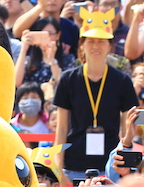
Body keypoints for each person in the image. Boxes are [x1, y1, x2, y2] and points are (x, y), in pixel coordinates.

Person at [53, 14, 138, 178]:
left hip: (110, 165)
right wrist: (58, 168)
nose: (95, 46)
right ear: (82, 45)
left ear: (110, 46)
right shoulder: (68, 79)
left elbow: (128, 126)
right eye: (90, 41)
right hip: (73, 164)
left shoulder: (122, 80)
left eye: (101, 41)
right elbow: (61, 128)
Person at [15, 16, 73, 86]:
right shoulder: (29, 61)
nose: (45, 38)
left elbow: (63, 85)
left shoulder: (68, 59)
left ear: (58, 35)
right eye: (41, 34)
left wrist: (52, 59)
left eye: (49, 34)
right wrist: (23, 50)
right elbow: (16, 82)